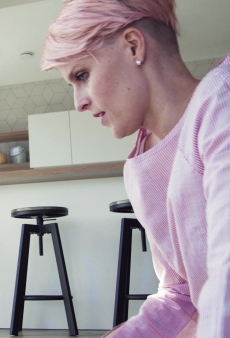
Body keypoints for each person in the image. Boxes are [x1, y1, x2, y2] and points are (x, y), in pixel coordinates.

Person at [41, 0, 229, 337]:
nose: (78, 102)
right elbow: (181, 295)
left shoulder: (221, 103)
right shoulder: (140, 168)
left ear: (133, 45)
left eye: (82, 75)